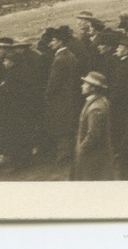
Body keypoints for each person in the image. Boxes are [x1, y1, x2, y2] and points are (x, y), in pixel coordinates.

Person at [43, 28, 80, 163]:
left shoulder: (59, 59)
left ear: (60, 42)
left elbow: (53, 83)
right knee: (69, 125)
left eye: (53, 41)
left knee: (61, 127)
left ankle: (64, 156)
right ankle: (71, 152)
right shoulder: (70, 55)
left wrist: (47, 95)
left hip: (60, 98)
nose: (50, 44)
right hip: (70, 96)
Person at [71, 71, 115, 181]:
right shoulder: (101, 101)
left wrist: (81, 150)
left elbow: (93, 135)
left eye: (85, 84)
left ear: (93, 88)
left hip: (92, 158)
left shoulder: (95, 108)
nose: (82, 86)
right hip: (96, 156)